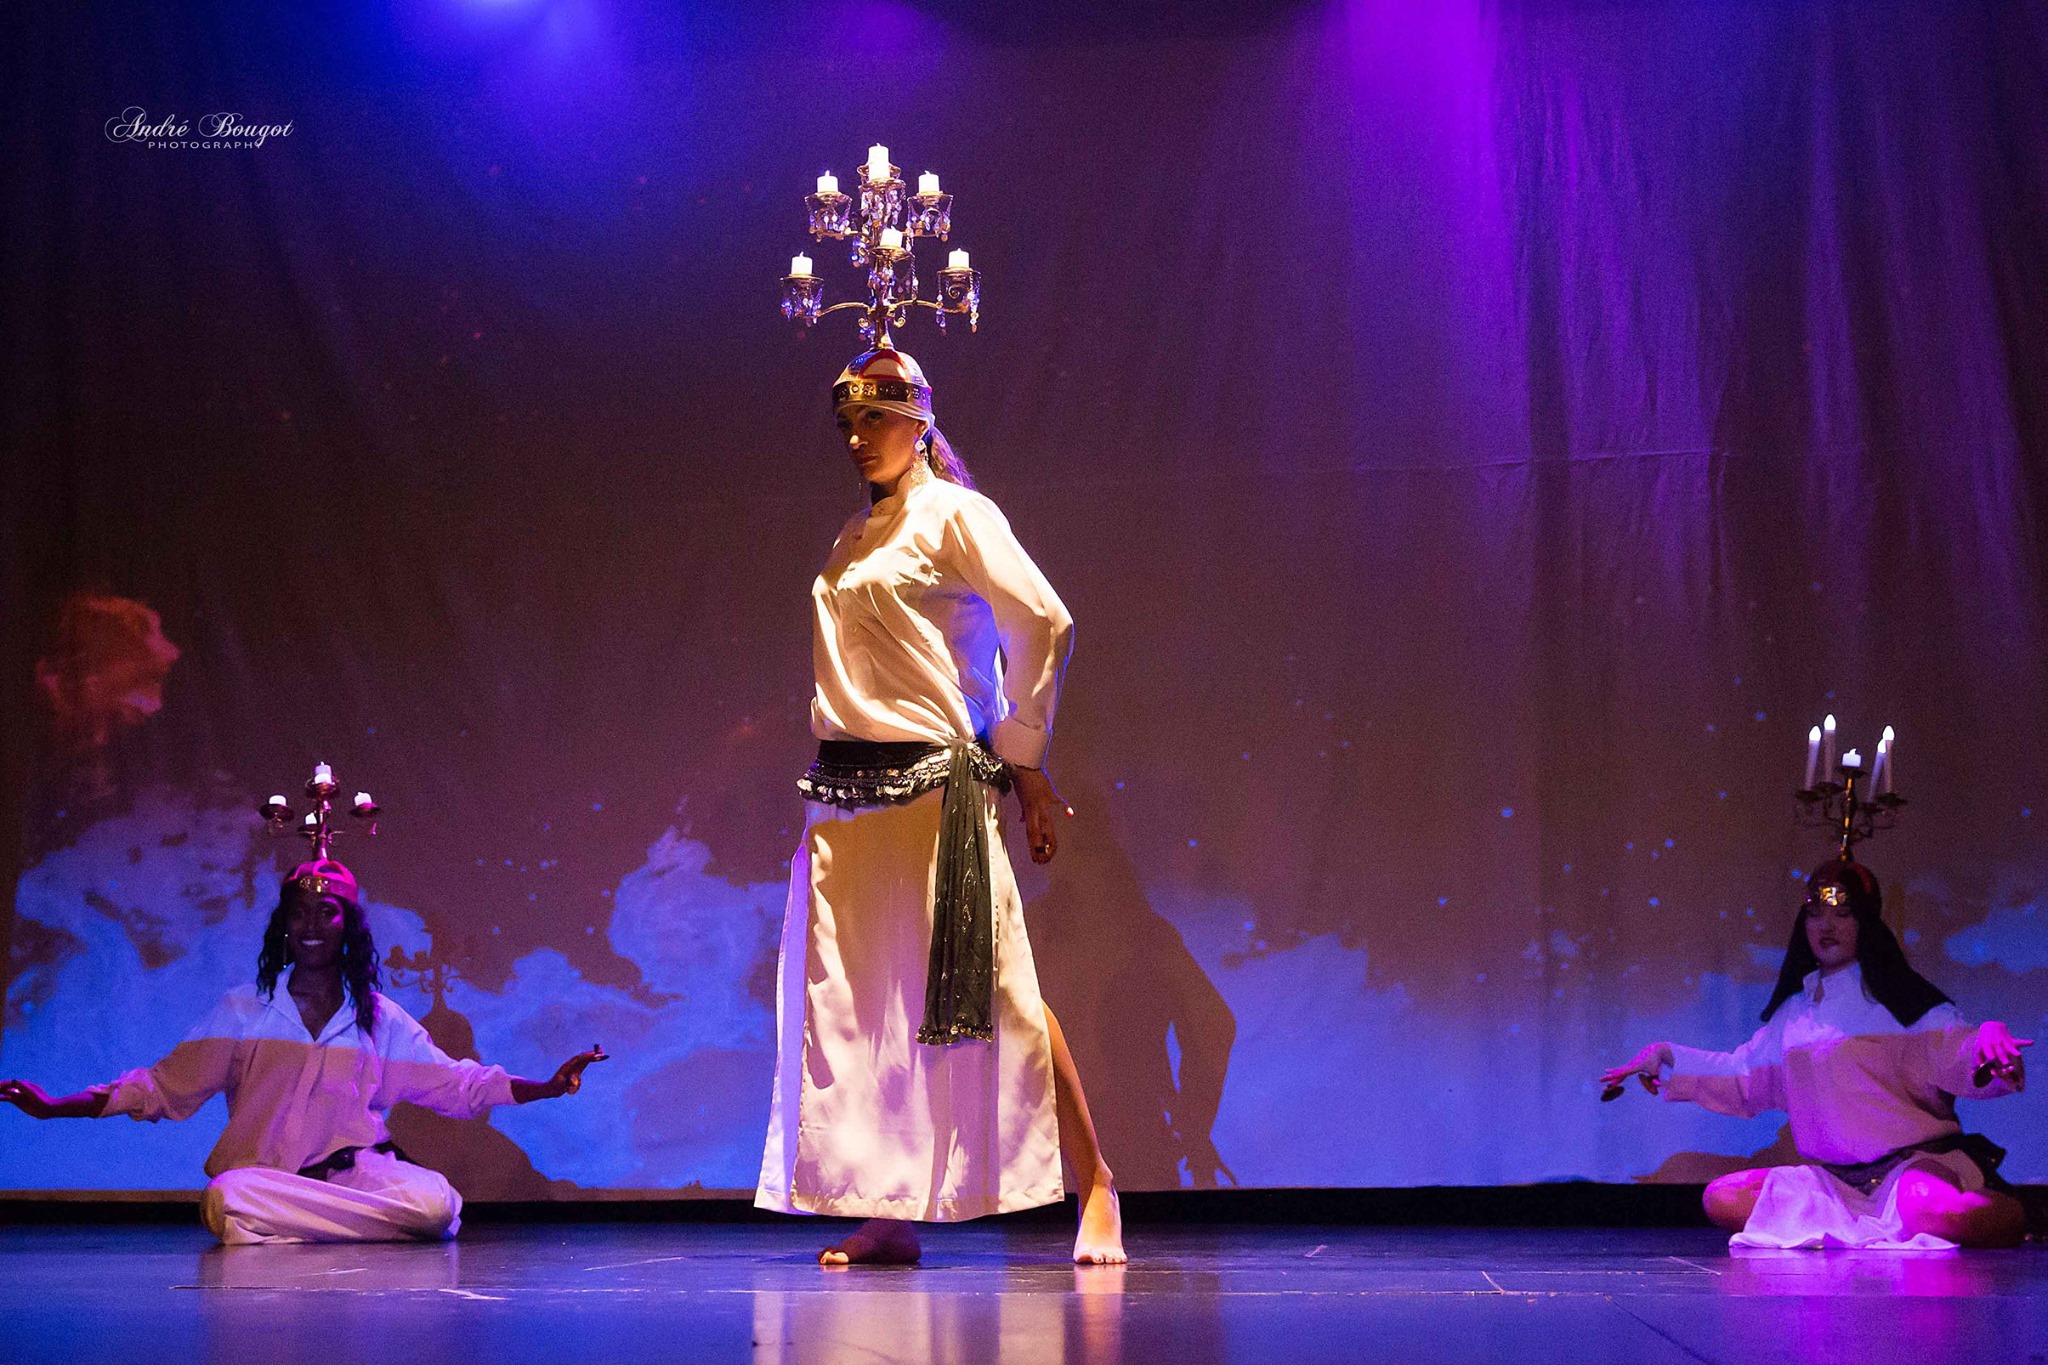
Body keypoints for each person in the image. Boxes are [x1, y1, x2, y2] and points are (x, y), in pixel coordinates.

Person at [755, 346, 1125, 1266]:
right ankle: (886, 1208)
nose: (857, 437)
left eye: (875, 418)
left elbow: (1041, 622)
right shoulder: (852, 536)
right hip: (845, 798)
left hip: (934, 795)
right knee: (857, 1007)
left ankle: (1096, 1181)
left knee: (998, 992)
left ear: (919, 422)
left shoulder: (957, 515)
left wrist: (1023, 759)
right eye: (848, 422)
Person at [0, 857, 605, 1244]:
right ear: (284, 927)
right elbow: (160, 1087)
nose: (312, 925)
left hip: (356, 1177)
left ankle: (295, 1228)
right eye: (300, 914)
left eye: (327, 912)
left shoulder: (378, 1020)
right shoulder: (243, 1011)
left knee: (434, 1204)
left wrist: (547, 1086)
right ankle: (327, 1226)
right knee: (226, 1197)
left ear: (348, 926)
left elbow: (459, 1085)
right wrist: (57, 1107)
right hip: (266, 1181)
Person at [1602, 857, 2029, 1248]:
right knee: (1722, 1197)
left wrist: (1987, 1041)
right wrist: (1667, 1058)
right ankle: (1854, 1222)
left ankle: (2021, 1214)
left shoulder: (1901, 999)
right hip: (1833, 1185)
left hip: (1909, 1169)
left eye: (1843, 914)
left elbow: (1959, 1051)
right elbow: (1744, 1075)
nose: (1827, 926)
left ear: (1864, 922)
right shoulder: (1795, 1013)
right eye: (1816, 914)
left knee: (1929, 1209)